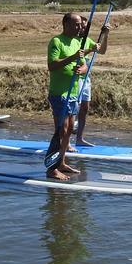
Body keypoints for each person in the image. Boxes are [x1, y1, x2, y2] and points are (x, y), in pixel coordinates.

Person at [46, 12, 97, 180]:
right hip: (59, 93)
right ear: (65, 24)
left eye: (79, 25)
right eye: (75, 25)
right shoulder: (56, 41)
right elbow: (52, 66)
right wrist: (72, 58)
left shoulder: (77, 42)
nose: (79, 28)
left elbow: (83, 66)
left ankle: (61, 162)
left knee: (69, 131)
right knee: (61, 130)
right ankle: (52, 169)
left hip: (74, 92)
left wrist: (81, 69)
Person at [73, 19, 109, 148]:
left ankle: (79, 139)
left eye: (85, 27)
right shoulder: (74, 40)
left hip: (86, 79)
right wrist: (91, 49)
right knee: (73, 109)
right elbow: (78, 55)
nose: (83, 29)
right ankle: (64, 139)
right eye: (81, 26)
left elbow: (102, 51)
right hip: (76, 79)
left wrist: (105, 35)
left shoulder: (87, 39)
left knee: (84, 109)